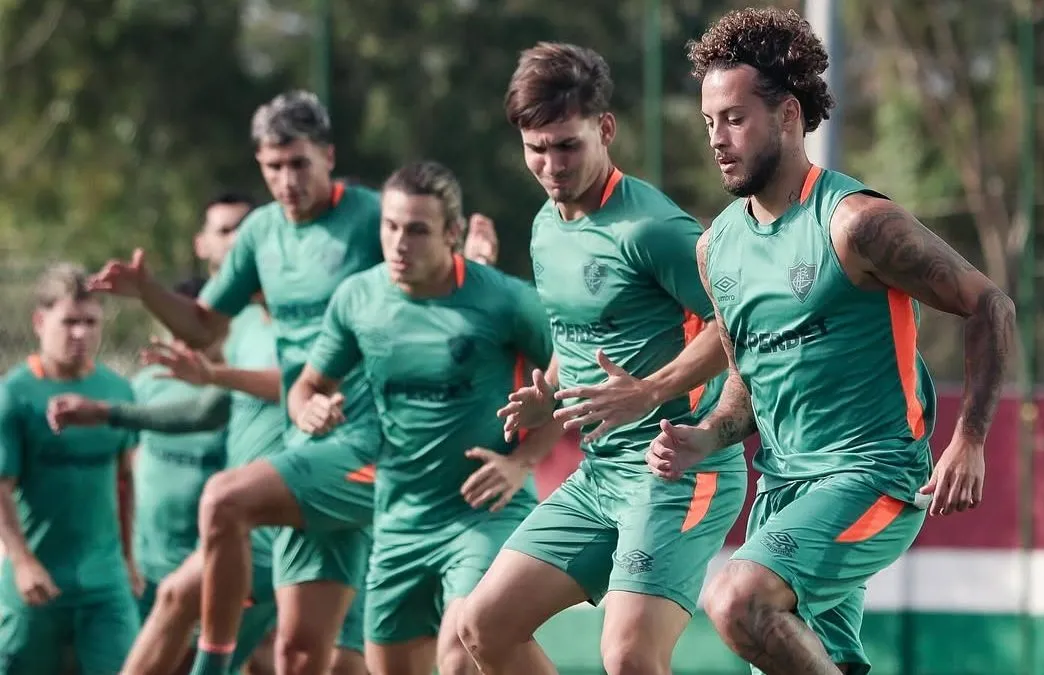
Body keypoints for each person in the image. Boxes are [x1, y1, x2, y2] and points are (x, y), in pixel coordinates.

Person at [644, 8, 1017, 675]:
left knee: (735, 601)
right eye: (709, 122)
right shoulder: (717, 248)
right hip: (780, 492)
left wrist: (971, 436)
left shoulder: (855, 224)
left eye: (734, 118)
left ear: (787, 114)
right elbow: (748, 378)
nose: (718, 140)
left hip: (872, 479)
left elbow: (991, 304)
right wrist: (705, 436)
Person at [457, 43, 748, 675]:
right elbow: (578, 333)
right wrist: (550, 390)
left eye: (567, 145)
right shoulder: (543, 225)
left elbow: (741, 323)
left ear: (605, 129)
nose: (551, 164)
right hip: (599, 477)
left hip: (679, 471)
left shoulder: (653, 229)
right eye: (537, 148)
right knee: (480, 629)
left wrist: (651, 390)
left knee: (628, 656)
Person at [88, 90, 383, 675]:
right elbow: (201, 328)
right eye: (273, 167)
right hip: (306, 454)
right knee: (302, 658)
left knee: (222, 503)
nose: (287, 180)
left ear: (328, 155)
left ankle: (210, 666)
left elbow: (433, 279)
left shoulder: (373, 219)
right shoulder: (261, 233)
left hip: (369, 450)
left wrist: (466, 259)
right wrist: (149, 292)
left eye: (299, 163)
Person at [289, 161, 560, 675]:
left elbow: (568, 365)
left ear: (452, 234)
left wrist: (523, 461)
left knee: (462, 648)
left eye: (417, 230)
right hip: (399, 519)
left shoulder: (502, 299)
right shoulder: (358, 299)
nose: (399, 243)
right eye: (390, 227)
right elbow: (307, 387)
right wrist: (309, 409)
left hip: (485, 510)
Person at [46, 296, 285, 675]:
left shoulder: (314, 323)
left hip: (287, 514)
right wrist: (109, 413)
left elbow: (298, 382)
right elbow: (206, 411)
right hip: (202, 544)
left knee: (311, 654)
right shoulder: (248, 329)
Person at [0, 264, 142, 674]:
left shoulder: (118, 392)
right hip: (37, 582)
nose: (80, 333)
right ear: (40, 322)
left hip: (105, 582)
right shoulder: (14, 394)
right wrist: (22, 561)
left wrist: (130, 561)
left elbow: (125, 480)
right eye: (69, 322)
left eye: (90, 322)